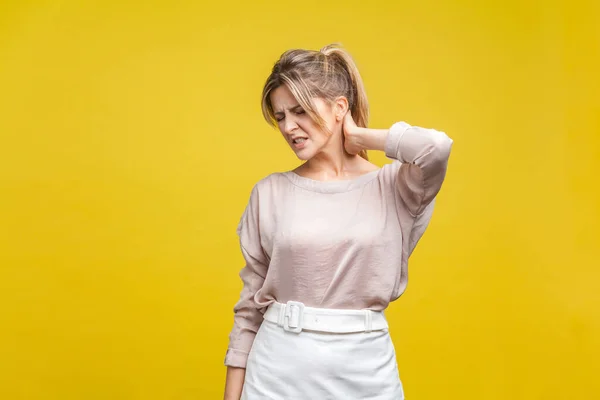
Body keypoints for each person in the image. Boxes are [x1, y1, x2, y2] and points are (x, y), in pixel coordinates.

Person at [223, 43, 453, 400]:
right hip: (277, 370)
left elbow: (435, 148)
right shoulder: (269, 193)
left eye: (299, 111)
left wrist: (360, 137)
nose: (289, 127)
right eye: (280, 116)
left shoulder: (394, 187)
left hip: (365, 369)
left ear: (339, 107)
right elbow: (249, 310)